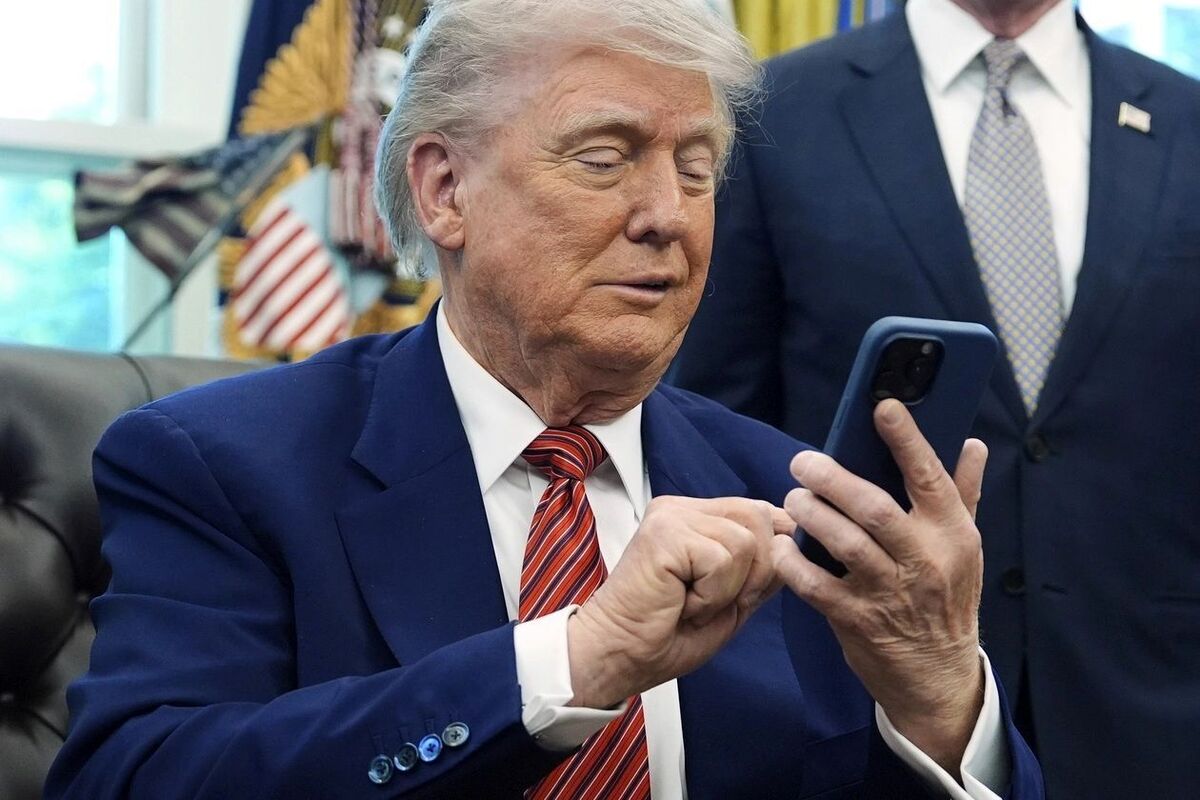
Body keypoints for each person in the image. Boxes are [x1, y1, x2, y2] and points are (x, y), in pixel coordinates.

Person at [45, 1, 1044, 798]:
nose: (667, 216)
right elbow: (134, 779)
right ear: (444, 189)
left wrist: (940, 704)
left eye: (697, 170)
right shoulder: (224, 465)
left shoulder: (792, 502)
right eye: (604, 159)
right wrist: (576, 661)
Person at [669, 0, 1200, 797]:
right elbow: (718, 423)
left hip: (1154, 705)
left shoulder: (1187, 120)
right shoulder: (775, 112)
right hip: (857, 704)